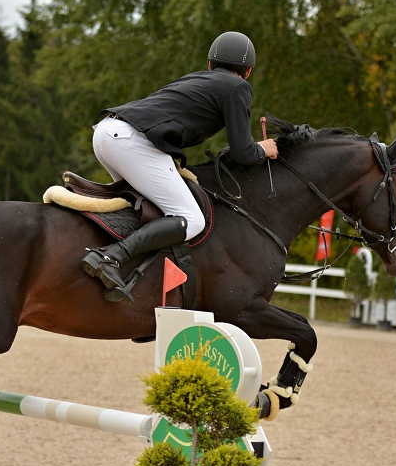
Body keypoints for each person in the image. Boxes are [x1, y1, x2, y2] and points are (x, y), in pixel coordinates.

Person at [81, 31, 278, 300]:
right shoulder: (237, 87)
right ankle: (110, 257)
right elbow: (244, 152)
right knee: (192, 219)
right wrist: (263, 149)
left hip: (106, 132)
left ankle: (137, 276)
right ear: (248, 71)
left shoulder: (197, 79)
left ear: (210, 64)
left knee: (145, 208)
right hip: (130, 141)